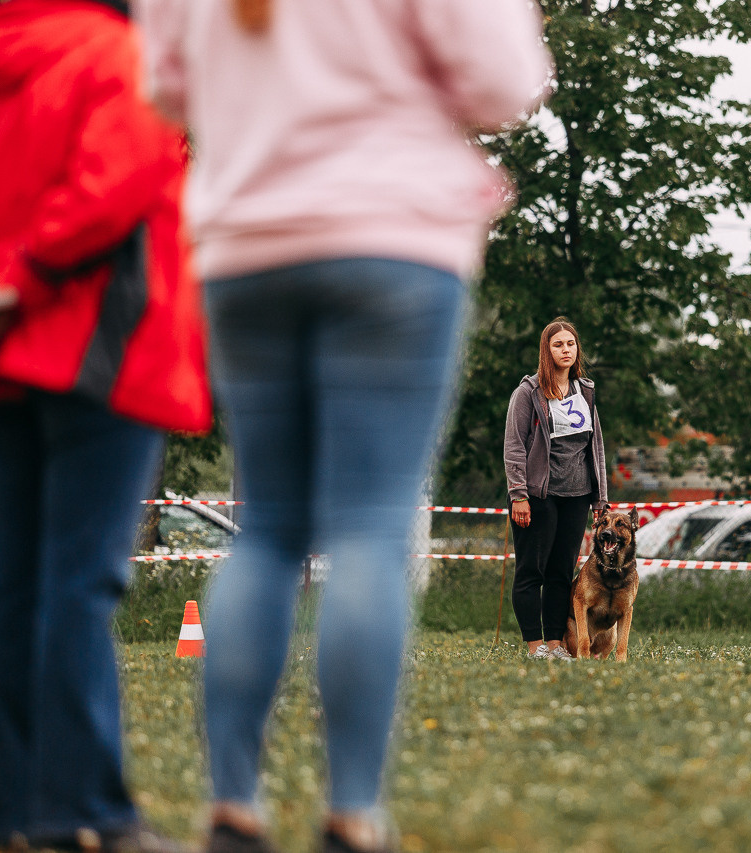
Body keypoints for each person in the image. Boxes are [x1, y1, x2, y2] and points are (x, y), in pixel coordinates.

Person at [134, 0, 552, 851]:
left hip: (246, 244)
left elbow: (164, 84)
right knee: (368, 530)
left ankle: (233, 804)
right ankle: (353, 812)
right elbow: (505, 81)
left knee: (266, 535)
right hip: (392, 237)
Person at [0, 1, 213, 851]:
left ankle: (20, 809)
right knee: (80, 580)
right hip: (102, 345)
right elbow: (120, 183)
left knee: (18, 577)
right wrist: (28, 275)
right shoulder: (118, 56)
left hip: (1, 345)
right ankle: (86, 813)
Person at [504, 318, 609, 661]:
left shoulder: (585, 391)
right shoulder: (527, 393)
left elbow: (596, 449)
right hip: (538, 495)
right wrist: (518, 494)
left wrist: (600, 499)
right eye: (558, 345)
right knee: (531, 570)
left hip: (577, 496)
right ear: (546, 351)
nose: (566, 350)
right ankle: (534, 646)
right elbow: (514, 446)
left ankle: (554, 644)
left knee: (562, 572)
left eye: (570, 344)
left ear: (577, 349)